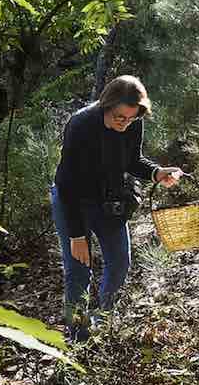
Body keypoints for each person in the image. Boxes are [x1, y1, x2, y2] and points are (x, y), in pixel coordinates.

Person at [50, 75, 183, 342]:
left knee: (120, 263)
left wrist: (156, 172)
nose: (125, 124)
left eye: (131, 118)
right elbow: (67, 183)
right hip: (72, 202)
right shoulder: (82, 124)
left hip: (108, 202)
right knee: (78, 272)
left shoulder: (133, 124)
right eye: (120, 117)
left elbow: (132, 161)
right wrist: (77, 235)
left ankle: (100, 322)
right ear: (106, 105)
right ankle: (78, 338)